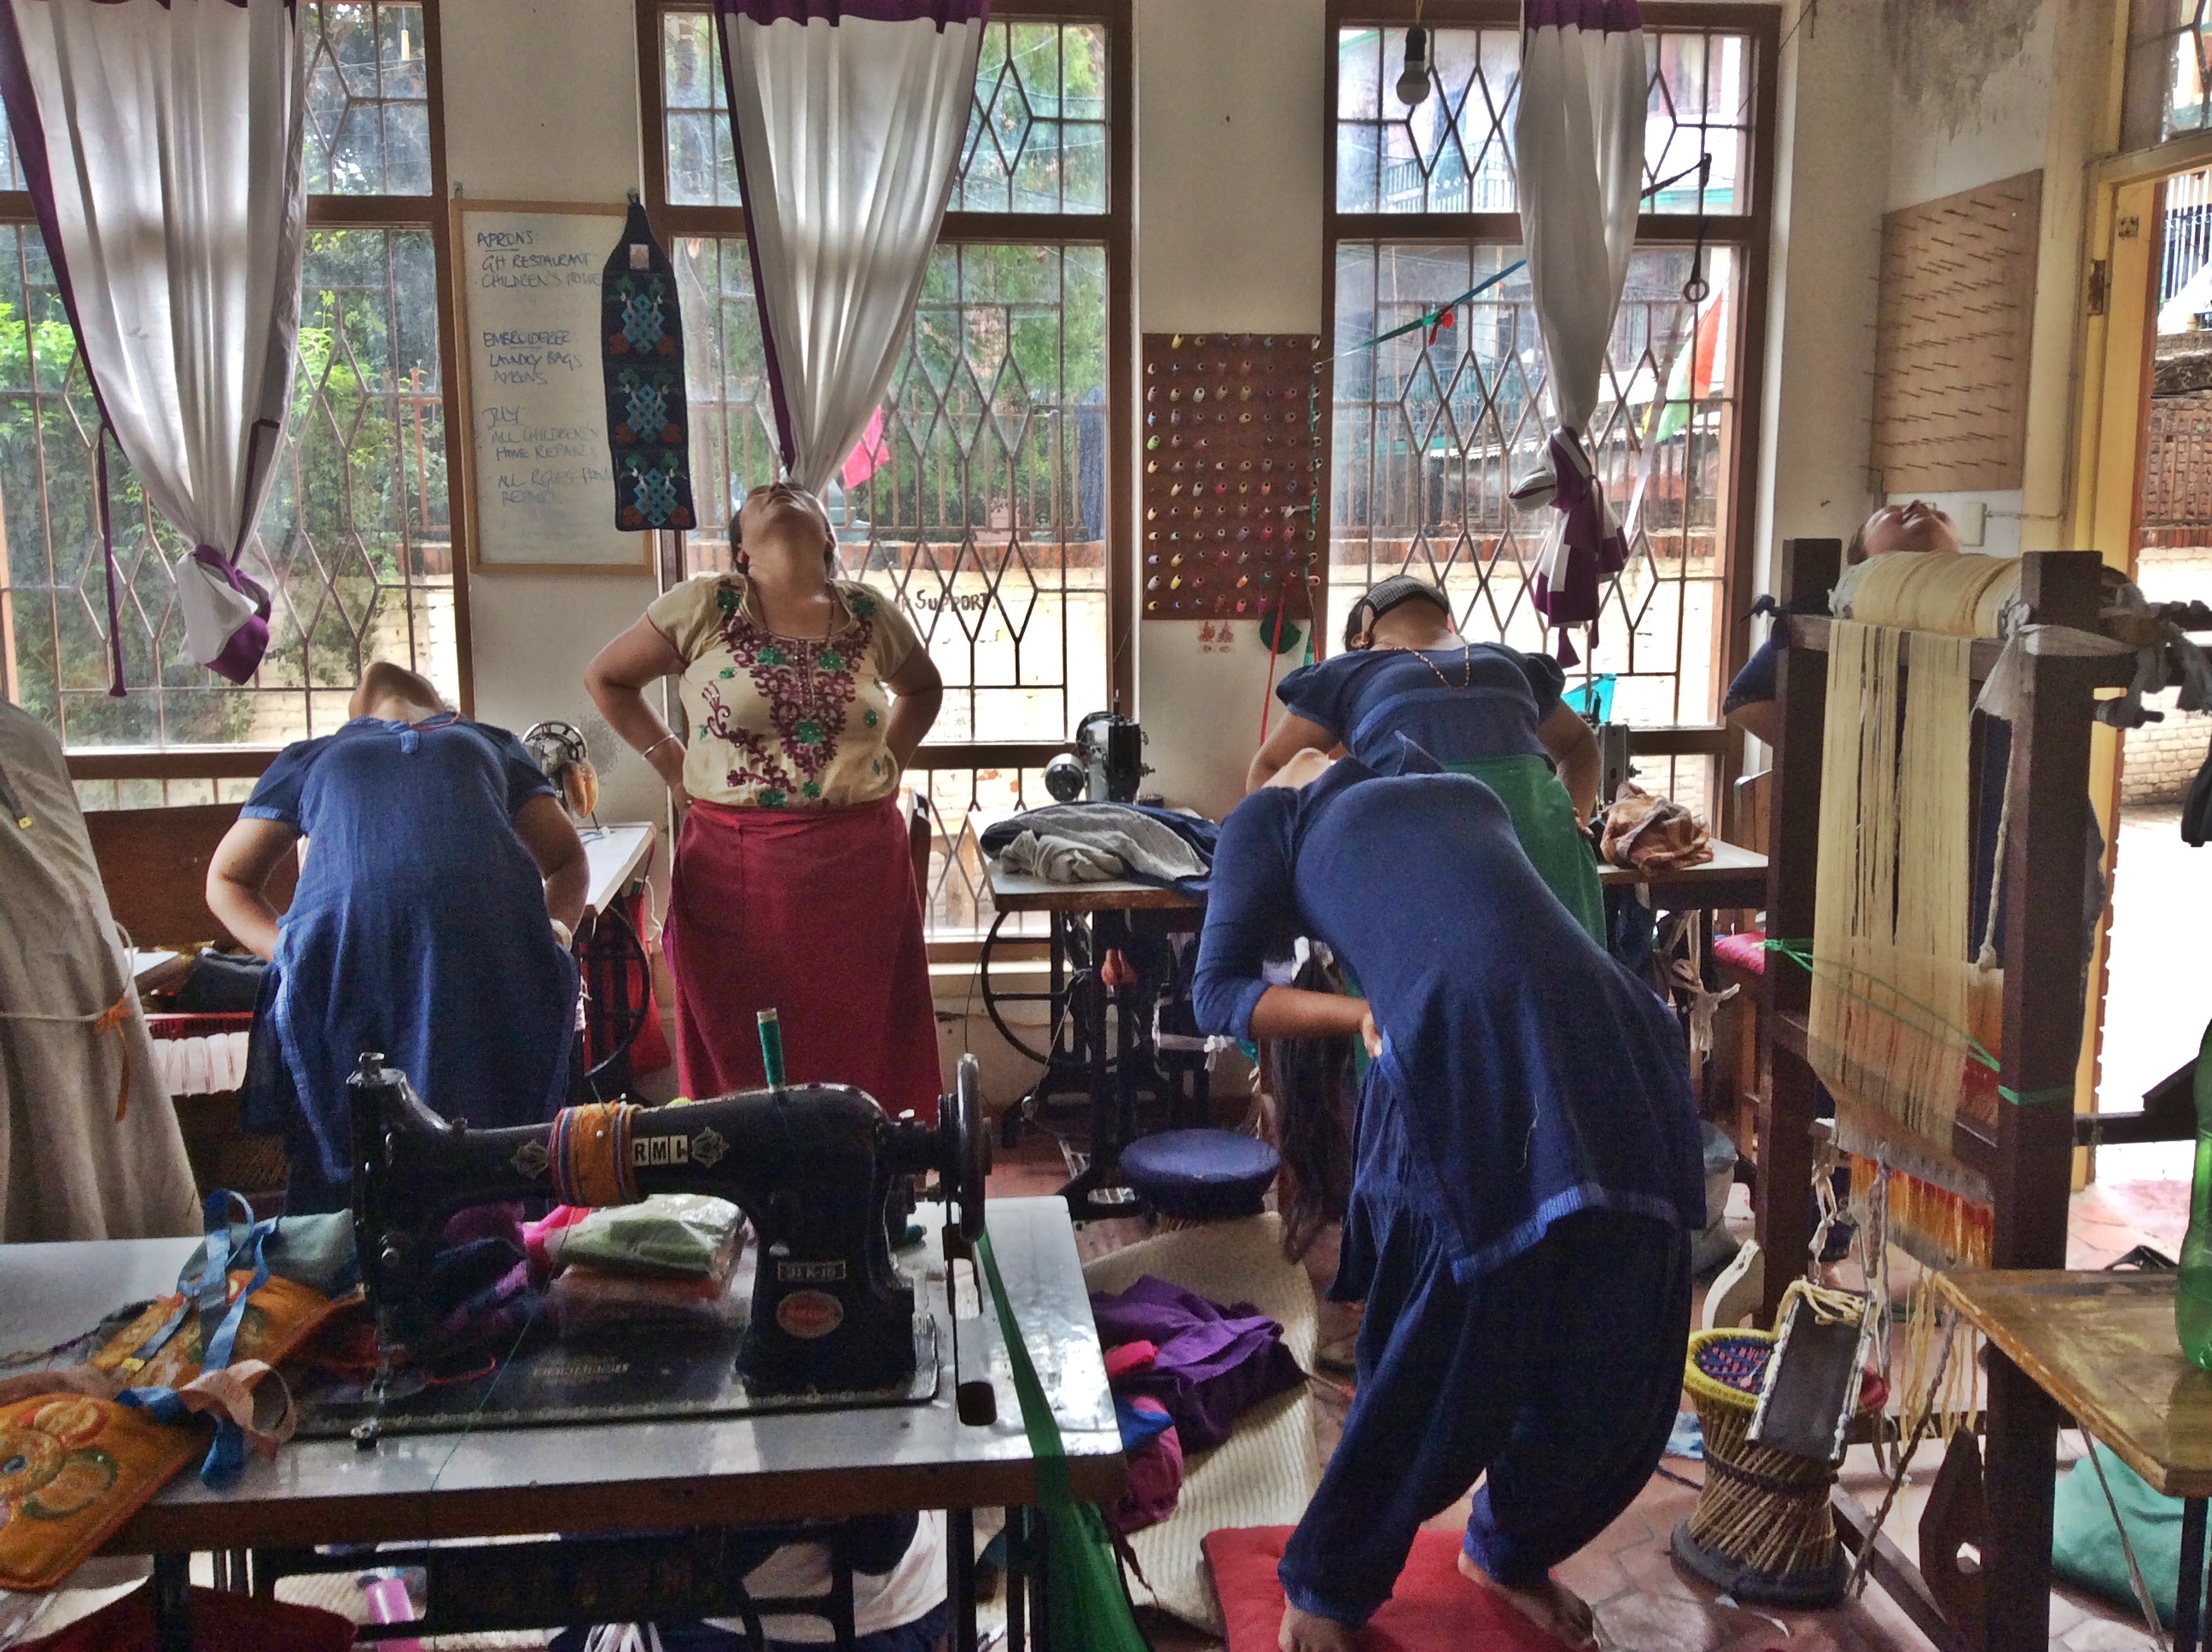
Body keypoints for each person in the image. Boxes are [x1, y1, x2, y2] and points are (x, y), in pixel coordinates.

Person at [1192, 742, 1703, 1652]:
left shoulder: (1440, 778)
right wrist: (1360, 1012)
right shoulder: (1275, 818)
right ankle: (1327, 1584)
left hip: (1600, 1025)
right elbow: (1217, 992)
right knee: (1453, 1337)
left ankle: (1509, 1548)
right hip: (1475, 1037)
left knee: (1620, 1331)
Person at [585, 481, 945, 1116]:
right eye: (757, 498)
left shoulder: (869, 612)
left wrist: (884, 765)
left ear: (828, 538)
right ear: (742, 551)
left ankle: (867, 1175)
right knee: (744, 1067)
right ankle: (747, 1184)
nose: (777, 490)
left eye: (796, 492)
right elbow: (607, 678)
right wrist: (673, 768)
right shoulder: (704, 605)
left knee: (863, 1052)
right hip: (736, 876)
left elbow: (924, 689)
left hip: (860, 876)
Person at [207, 662, 586, 1213]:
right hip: (350, 981)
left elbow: (569, 862)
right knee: (364, 1152)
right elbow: (227, 880)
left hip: (484, 982)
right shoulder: (314, 757)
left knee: (490, 1149)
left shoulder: (490, 741)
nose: (376, 678)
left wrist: (553, 934)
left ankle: (491, 1251)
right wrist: (289, 952)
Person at [1245, 576, 1604, 942]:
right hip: (1543, 858)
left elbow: (1266, 774)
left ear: (1361, 639)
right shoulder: (1510, 663)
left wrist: (1329, 845)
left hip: (1419, 871)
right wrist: (1573, 813)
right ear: (1447, 620)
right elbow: (1580, 744)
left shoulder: (1348, 672)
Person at [0, 699, 199, 1241]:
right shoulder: (27, 736)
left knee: (88, 1168)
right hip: (44, 998)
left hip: (81, 991)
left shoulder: (26, 738)